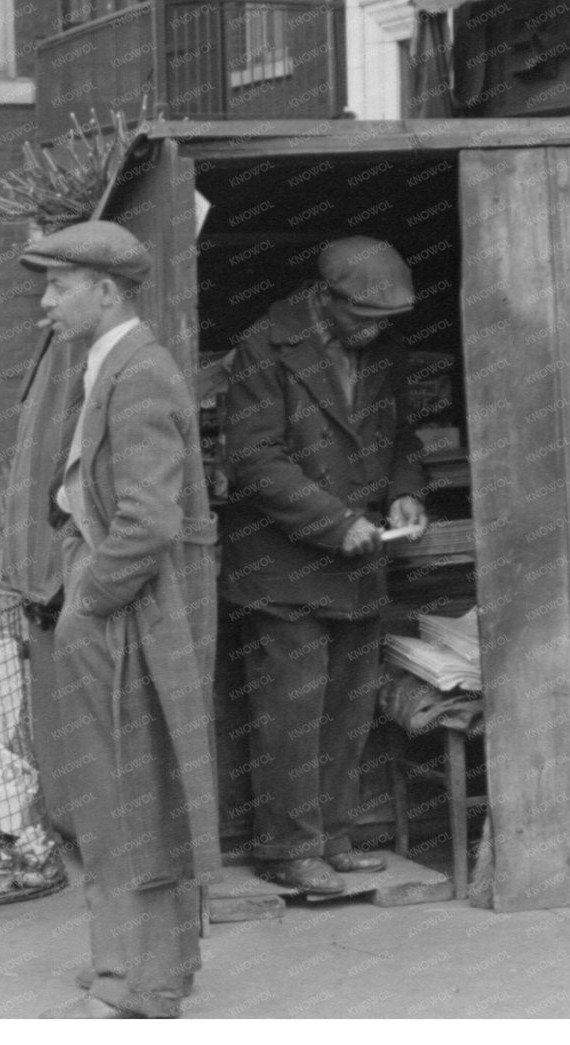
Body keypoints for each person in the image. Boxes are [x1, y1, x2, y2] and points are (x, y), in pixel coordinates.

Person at [22, 221, 219, 1019]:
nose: (45, 301)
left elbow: (147, 520)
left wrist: (88, 602)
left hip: (126, 604)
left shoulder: (137, 372)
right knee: (125, 787)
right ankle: (141, 958)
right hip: (114, 595)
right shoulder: (111, 363)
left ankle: (141, 982)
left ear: (106, 291)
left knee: (129, 790)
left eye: (58, 285)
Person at [218, 236, 427, 896]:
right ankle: (287, 848)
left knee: (348, 709)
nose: (374, 332)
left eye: (384, 322)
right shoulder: (263, 347)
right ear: (325, 297)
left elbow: (401, 435)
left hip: (360, 564)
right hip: (282, 568)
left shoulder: (383, 348)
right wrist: (336, 522)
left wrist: (406, 490)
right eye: (364, 318)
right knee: (291, 713)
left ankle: (333, 836)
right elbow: (253, 460)